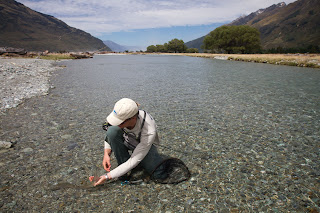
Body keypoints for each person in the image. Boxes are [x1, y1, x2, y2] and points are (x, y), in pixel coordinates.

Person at [89, 98, 167, 186]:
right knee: (112, 131)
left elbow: (133, 160)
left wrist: (107, 176)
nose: (117, 124)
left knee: (159, 175)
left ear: (133, 118)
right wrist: (106, 154)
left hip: (146, 146)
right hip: (129, 140)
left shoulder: (149, 130)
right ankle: (124, 167)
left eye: (120, 123)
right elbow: (110, 133)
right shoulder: (122, 112)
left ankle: (134, 166)